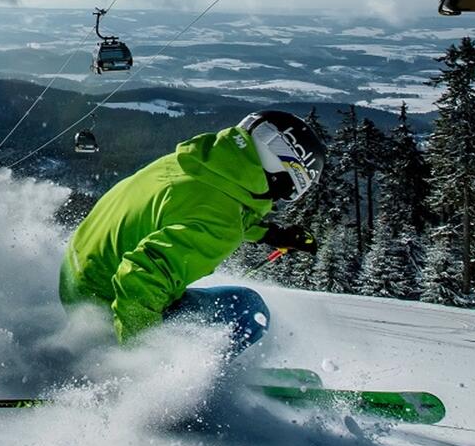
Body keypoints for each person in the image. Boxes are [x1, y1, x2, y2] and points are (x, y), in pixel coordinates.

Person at [60, 110, 327, 358]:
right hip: (108, 305)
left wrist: (270, 234)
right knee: (248, 309)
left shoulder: (194, 164)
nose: (289, 195)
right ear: (283, 169)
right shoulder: (221, 222)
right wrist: (140, 367)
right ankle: (198, 385)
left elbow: (197, 210)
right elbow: (139, 281)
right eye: (297, 186)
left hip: (78, 276)